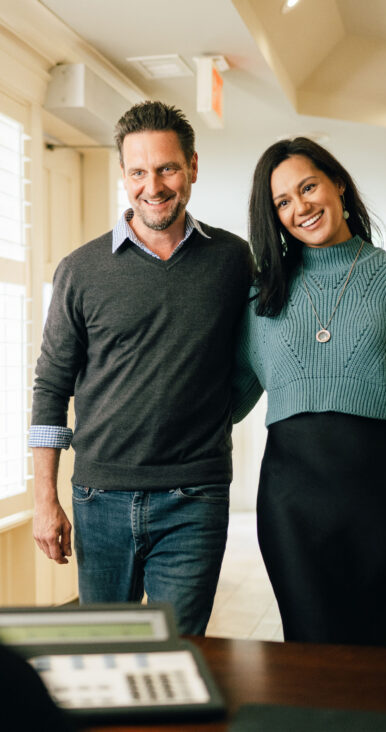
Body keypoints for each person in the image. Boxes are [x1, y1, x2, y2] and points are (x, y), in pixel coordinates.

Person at [30, 101, 253, 635]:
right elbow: (51, 385)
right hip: (98, 496)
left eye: (167, 168)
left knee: (180, 652)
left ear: (192, 167)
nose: (153, 185)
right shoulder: (81, 270)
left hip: (194, 497)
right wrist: (45, 500)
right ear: (124, 175)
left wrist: (219, 415)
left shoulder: (232, 260)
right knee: (106, 651)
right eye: (138, 171)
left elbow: (259, 358)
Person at [233, 137, 386, 648]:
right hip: (292, 504)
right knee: (312, 658)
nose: (301, 207)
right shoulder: (261, 295)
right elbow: (224, 400)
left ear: (337, 183)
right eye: (283, 202)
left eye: (308, 186)